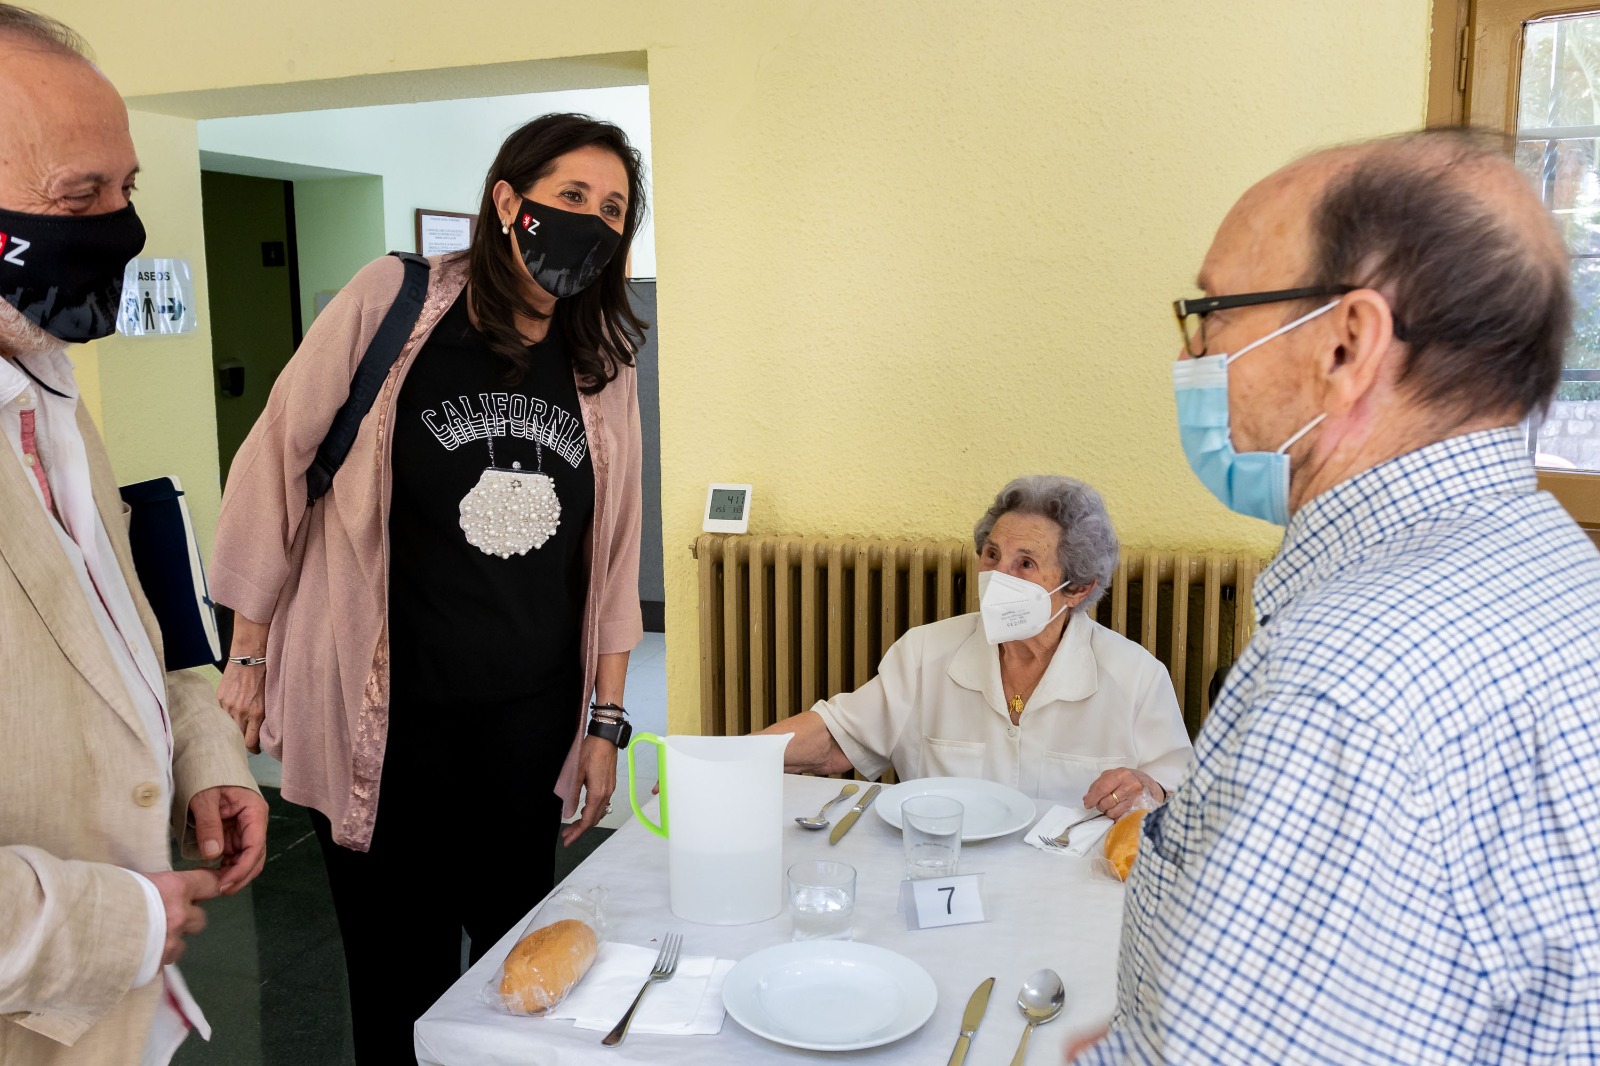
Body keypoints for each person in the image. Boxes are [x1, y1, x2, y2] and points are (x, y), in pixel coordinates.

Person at [1069, 130, 1600, 1063]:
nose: (1193, 353)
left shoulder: (1343, 684)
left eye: (1211, 312)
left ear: (1349, 343)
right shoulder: (1555, 567)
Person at [209, 113, 648, 1063]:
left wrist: (606, 724)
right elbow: (275, 463)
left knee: (514, 987)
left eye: (614, 210)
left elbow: (614, 557)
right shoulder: (394, 303)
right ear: (508, 200)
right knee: (397, 988)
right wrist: (248, 651)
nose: (593, 222)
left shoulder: (600, 366)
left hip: (527, 731)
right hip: (384, 726)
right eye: (572, 196)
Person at [0, 7, 267, 1065]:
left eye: (128, 189)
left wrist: (204, 750)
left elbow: (109, 632)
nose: (122, 230)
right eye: (80, 198)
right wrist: (120, 923)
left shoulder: (46, 390)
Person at [763, 475, 1192, 816]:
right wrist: (736, 756)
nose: (998, 577)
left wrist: (1148, 787)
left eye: (1025, 563)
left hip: (1069, 878)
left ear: (1077, 588)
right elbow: (836, 737)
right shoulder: (925, 653)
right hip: (944, 868)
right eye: (991, 555)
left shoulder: (1136, 677)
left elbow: (1180, 793)